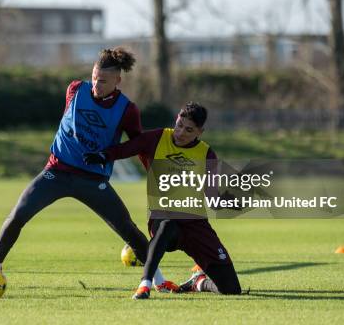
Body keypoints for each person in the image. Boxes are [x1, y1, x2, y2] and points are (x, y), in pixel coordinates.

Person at [0, 47, 175, 292]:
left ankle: (159, 280)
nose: (96, 85)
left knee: (126, 228)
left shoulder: (127, 110)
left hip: (92, 180)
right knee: (18, 215)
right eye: (95, 78)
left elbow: (137, 144)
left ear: (118, 81)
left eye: (103, 82)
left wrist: (151, 172)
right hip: (56, 172)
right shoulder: (75, 89)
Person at [84, 102, 242, 299]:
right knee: (168, 224)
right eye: (179, 125)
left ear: (200, 132)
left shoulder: (207, 154)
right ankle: (145, 284)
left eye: (189, 129)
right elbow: (125, 149)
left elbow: (212, 197)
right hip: (163, 219)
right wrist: (103, 156)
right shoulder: (157, 138)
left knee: (231, 289)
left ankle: (199, 282)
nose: (181, 132)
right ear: (176, 119)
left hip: (195, 223)